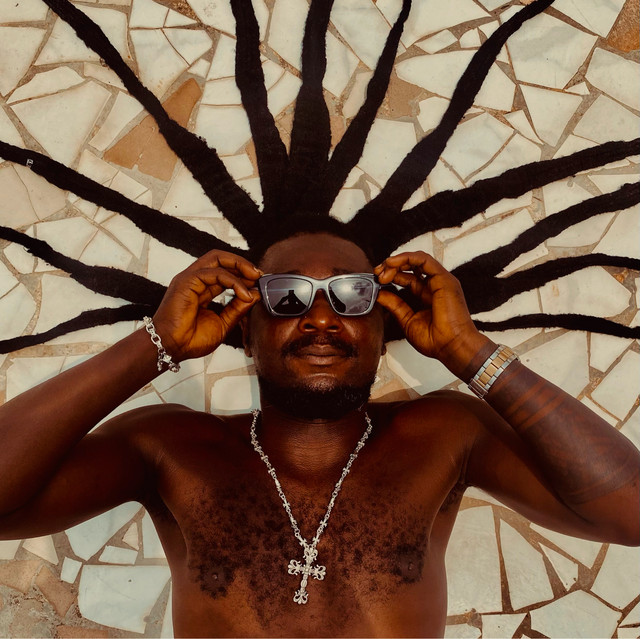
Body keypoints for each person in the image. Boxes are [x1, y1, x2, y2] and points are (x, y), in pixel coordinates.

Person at [0, 221, 638, 638]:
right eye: (287, 298)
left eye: (352, 296)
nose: (322, 319)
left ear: (383, 329)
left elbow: (632, 512)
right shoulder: (171, 448)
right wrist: (156, 344)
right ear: (245, 332)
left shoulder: (445, 436)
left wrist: (467, 350)